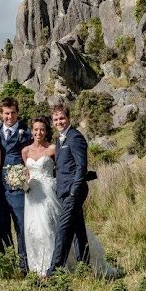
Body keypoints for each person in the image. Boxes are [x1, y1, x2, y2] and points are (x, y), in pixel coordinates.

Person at [23, 116, 119, 277]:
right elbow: (27, 172)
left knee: (55, 227)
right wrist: (23, 182)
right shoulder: (25, 151)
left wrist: (75, 185)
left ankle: (57, 266)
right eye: (35, 129)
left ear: (46, 131)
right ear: (31, 131)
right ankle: (41, 265)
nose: (38, 132)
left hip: (50, 191)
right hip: (32, 194)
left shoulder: (54, 148)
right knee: (35, 230)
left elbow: (64, 167)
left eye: (42, 129)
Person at [46, 104, 92, 276]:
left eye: (62, 118)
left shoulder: (75, 137)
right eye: (56, 119)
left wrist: (74, 191)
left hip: (74, 191)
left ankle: (54, 270)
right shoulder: (59, 140)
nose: (59, 121)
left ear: (69, 118)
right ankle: (84, 267)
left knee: (63, 229)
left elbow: (81, 166)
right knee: (78, 230)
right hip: (63, 190)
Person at [0, 97, 31, 274]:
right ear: (1, 114)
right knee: (1, 226)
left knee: (21, 225)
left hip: (18, 189)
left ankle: (24, 265)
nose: (10, 116)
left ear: (17, 113)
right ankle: (7, 263)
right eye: (6, 113)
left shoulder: (27, 132)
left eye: (13, 113)